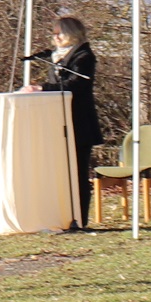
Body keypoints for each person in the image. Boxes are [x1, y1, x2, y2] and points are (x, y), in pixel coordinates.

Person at [44, 14, 100, 229]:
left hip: (79, 123)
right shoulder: (54, 57)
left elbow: (74, 85)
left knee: (77, 173)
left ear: (71, 33)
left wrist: (43, 88)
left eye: (60, 33)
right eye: (54, 33)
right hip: (57, 123)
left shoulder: (83, 56)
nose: (55, 37)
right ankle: (61, 216)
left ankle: (80, 218)